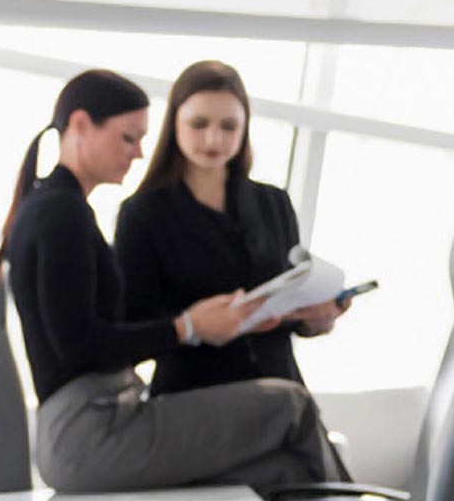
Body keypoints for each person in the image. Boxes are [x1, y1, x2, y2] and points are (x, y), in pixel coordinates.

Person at [0, 67, 331, 499]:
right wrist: (188, 327)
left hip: (103, 416)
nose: (137, 153)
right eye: (128, 138)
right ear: (79, 125)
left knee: (281, 470)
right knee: (291, 405)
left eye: (142, 139)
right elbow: (80, 346)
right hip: (89, 429)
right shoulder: (62, 214)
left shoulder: (60, 207)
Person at [111, 59, 348, 403]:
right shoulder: (143, 214)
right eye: (199, 123)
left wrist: (315, 319)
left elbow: (288, 301)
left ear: (244, 129)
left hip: (279, 391)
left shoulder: (274, 203)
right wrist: (195, 325)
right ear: (174, 122)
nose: (213, 138)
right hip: (197, 400)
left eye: (228, 126)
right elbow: (134, 328)